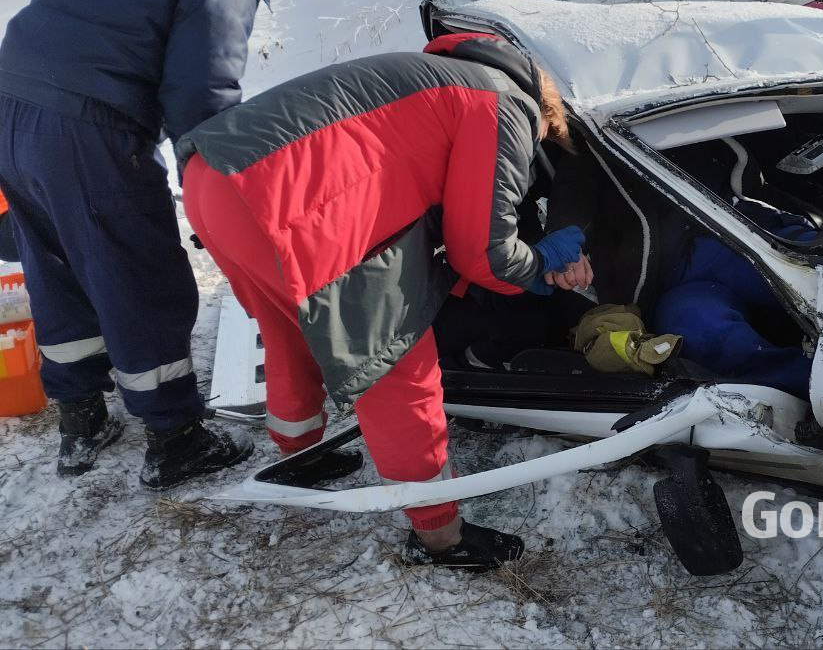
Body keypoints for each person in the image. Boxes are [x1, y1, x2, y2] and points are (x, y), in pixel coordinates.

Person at [178, 32, 591, 571]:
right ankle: (440, 537)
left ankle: (299, 456)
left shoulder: (435, 79)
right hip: (289, 204)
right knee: (397, 368)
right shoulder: (504, 105)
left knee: (288, 329)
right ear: (546, 110)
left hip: (213, 180)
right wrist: (541, 267)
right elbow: (482, 253)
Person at [0, 0, 300, 486]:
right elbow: (201, 99)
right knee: (138, 262)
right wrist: (221, 198)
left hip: (10, 105)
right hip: (85, 123)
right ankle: (175, 438)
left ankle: (82, 419)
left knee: (54, 261)